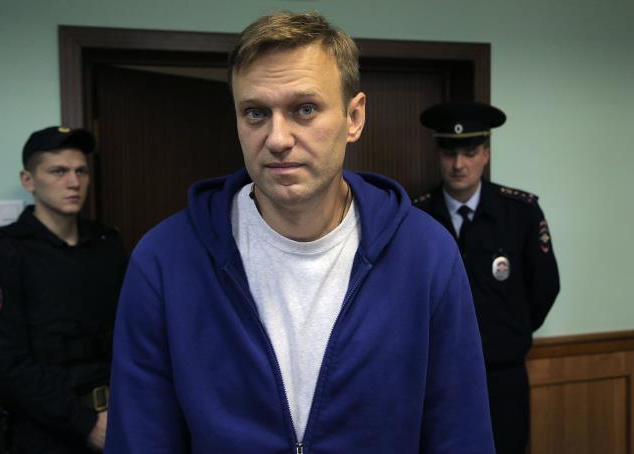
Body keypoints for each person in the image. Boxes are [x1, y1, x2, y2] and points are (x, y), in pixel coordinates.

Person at [106, 12, 495, 454]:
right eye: (255, 113)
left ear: (354, 117)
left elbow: (460, 432)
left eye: (304, 109)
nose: (277, 138)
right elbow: (139, 438)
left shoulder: (425, 253)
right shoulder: (165, 260)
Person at [0, 126, 127, 453]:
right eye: (58, 171)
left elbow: (137, 331)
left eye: (81, 171)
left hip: (123, 414)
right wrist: (84, 423)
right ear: (28, 181)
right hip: (48, 430)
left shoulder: (107, 243)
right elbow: (4, 361)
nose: (74, 182)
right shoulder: (3, 253)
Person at [414, 102, 560, 454]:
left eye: (469, 152)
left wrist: (507, 332)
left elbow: (544, 288)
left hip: (502, 376)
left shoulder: (520, 214)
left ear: (486, 154)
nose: (458, 164)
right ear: (438, 154)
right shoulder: (416, 216)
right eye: (449, 153)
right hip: (436, 379)